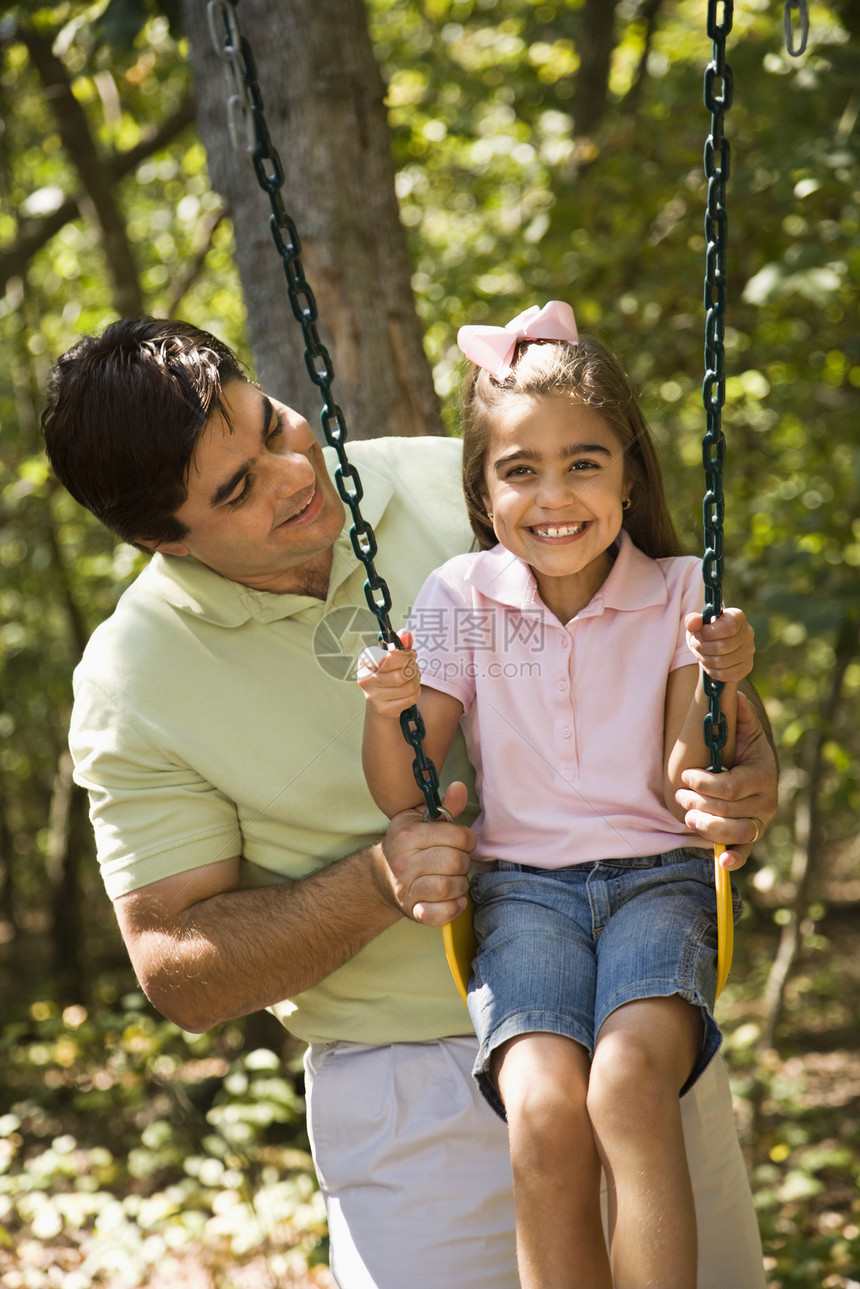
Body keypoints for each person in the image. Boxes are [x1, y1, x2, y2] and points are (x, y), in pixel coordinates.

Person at [41, 315, 774, 1289]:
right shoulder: (135, 680)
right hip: (407, 1092)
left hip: (634, 1020)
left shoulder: (477, 474)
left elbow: (680, 681)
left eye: (273, 427)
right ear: (156, 535)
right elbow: (178, 971)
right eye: (236, 486)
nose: (291, 473)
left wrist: (741, 779)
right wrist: (378, 879)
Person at [358, 301, 756, 1289]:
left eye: (582, 460)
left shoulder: (680, 592)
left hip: (657, 881)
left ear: (628, 469)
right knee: (542, 1109)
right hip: (522, 896)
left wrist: (725, 678)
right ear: (482, 488)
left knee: (624, 1088)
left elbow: (681, 774)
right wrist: (391, 706)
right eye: (518, 468)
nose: (553, 493)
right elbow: (404, 784)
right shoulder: (454, 597)